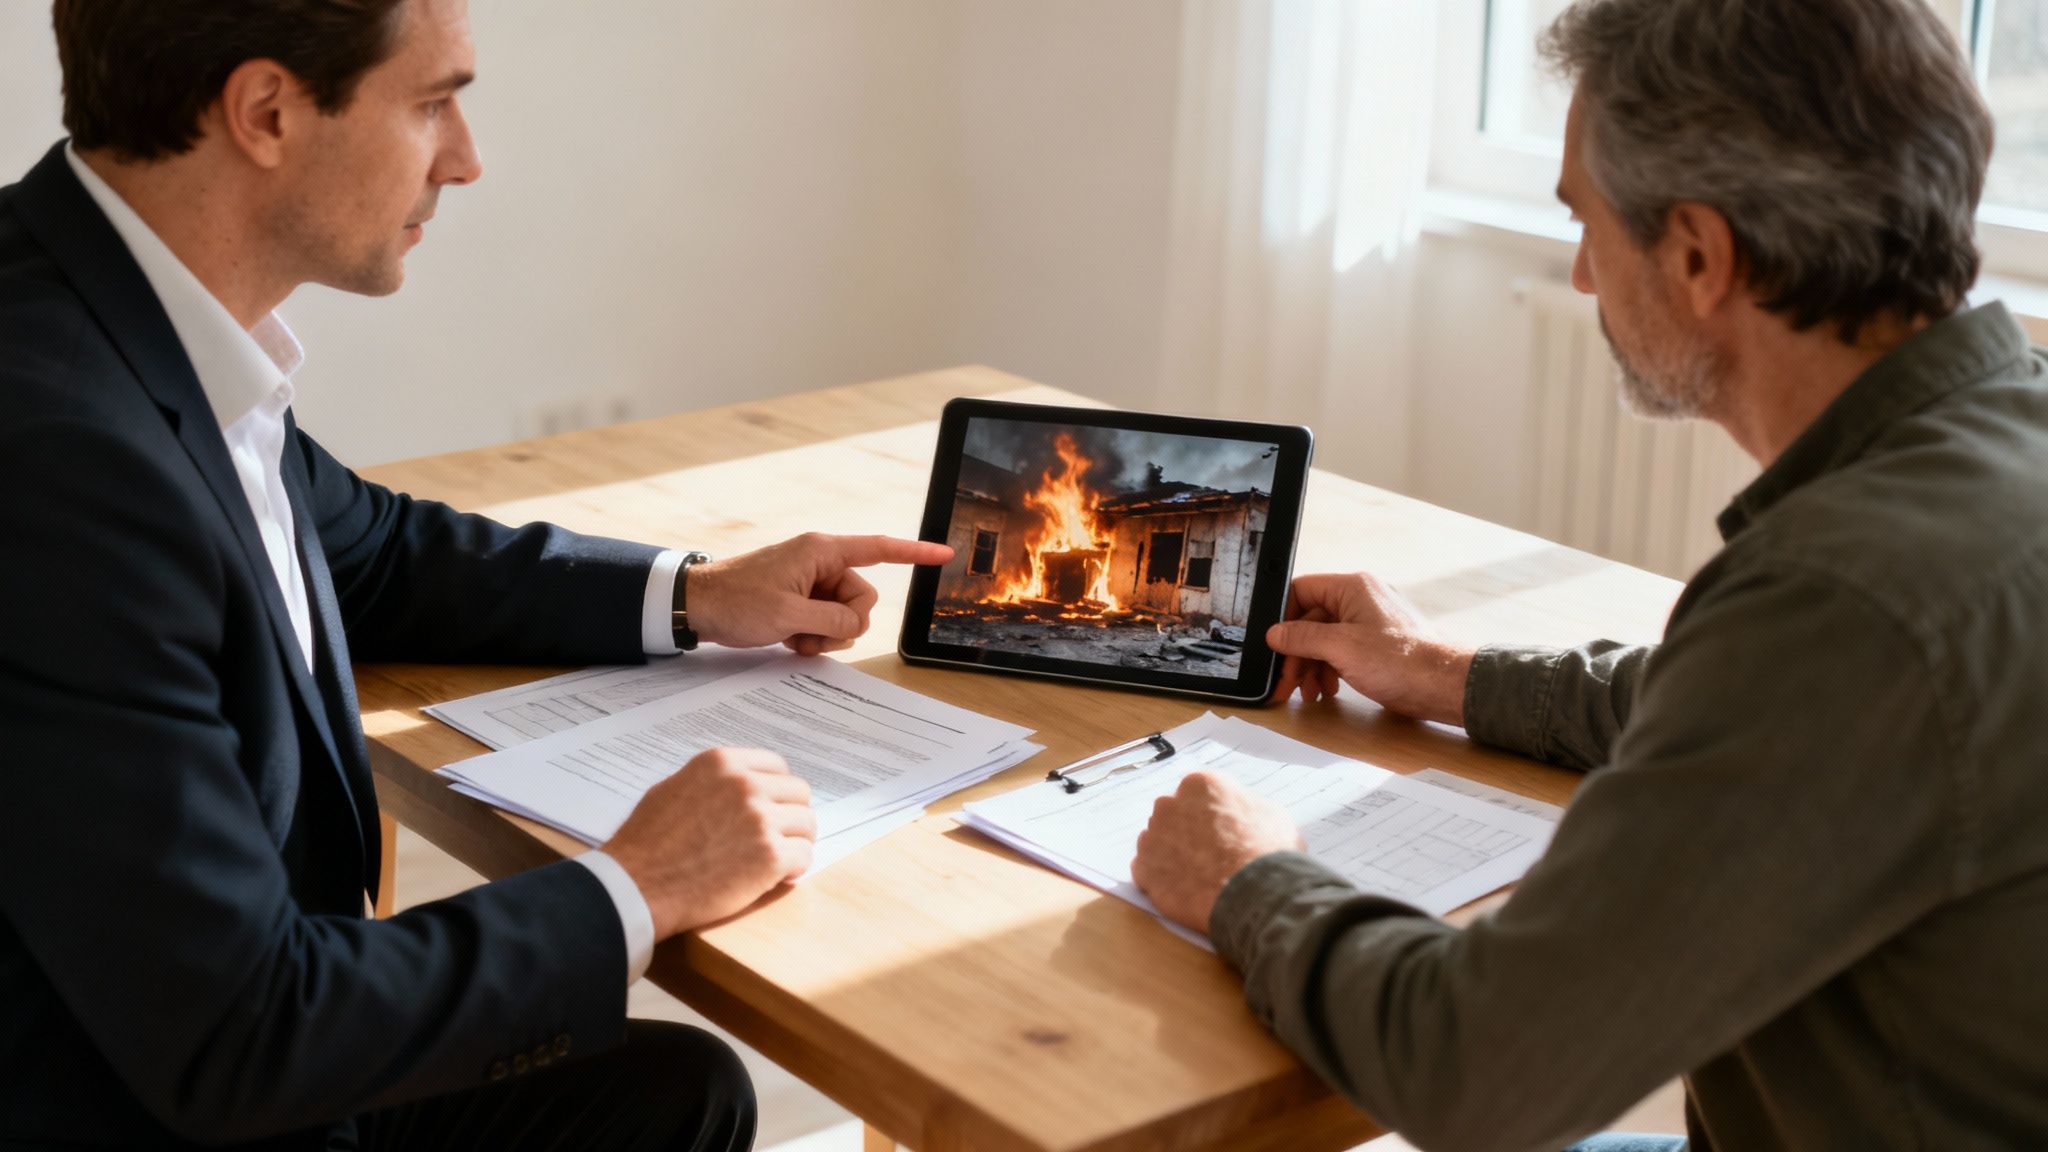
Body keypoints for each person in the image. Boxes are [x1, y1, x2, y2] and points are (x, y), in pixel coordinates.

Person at [0, 0, 948, 1148]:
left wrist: (697, 594)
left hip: (187, 1051)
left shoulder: (102, 307)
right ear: (266, 112)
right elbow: (238, 1033)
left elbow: (376, 549)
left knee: (679, 1091)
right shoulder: (63, 456)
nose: (467, 158)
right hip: (157, 1098)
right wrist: (639, 885)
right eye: (434, 101)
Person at [1132, 0, 2048, 1149]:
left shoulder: (1845, 596)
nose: (1577, 275)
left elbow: (1474, 1069)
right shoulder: (2007, 434)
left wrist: (1244, 880)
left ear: (1700, 256)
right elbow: (1750, 709)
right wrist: (1438, 672)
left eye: (1585, 221)